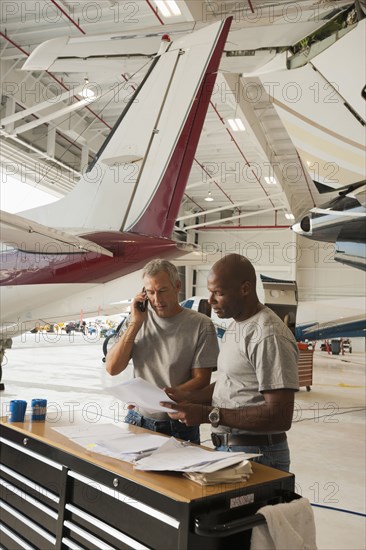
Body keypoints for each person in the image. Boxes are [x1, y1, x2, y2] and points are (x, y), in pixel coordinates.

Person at [161, 254, 299, 471]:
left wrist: (209, 415)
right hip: (231, 450)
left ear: (245, 289)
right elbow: (233, 382)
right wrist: (187, 398)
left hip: (257, 455)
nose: (210, 301)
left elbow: (280, 415)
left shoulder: (268, 334)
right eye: (210, 292)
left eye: (219, 293)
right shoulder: (237, 325)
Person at [106, 259, 219, 444]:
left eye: (162, 291)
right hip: (137, 419)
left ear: (177, 286)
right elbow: (112, 368)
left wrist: (158, 397)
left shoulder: (201, 324)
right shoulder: (136, 320)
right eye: (150, 292)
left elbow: (201, 379)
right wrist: (135, 323)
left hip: (179, 425)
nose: (157, 300)